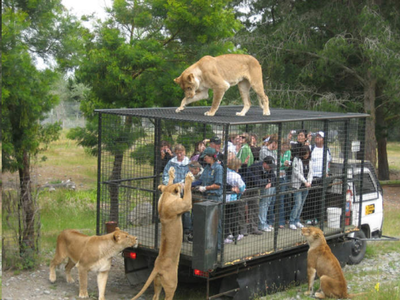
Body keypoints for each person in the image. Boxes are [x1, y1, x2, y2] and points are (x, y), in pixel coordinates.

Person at [195, 147, 224, 249]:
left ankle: (218, 246)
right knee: (207, 223)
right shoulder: (207, 167)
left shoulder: (218, 168)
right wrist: (188, 183)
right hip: (207, 198)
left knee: (216, 223)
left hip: (216, 198)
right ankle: (209, 246)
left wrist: (205, 188)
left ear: (212, 157)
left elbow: (218, 185)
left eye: (206, 157)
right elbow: (200, 180)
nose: (204, 159)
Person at [304, 131, 332, 225]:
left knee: (320, 198)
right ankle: (308, 217)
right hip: (313, 177)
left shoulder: (327, 150)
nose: (317, 138)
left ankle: (317, 217)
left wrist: (327, 172)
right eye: (317, 136)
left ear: (323, 139)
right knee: (310, 198)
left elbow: (328, 162)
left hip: (322, 177)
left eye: (320, 137)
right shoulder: (312, 148)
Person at [248, 156, 277, 232]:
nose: (271, 168)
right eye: (269, 166)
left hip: (262, 188)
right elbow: (257, 182)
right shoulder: (256, 167)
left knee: (266, 204)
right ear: (264, 164)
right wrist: (267, 180)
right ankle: (261, 224)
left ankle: (264, 223)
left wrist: (269, 182)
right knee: (261, 205)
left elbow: (274, 177)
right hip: (250, 189)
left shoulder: (269, 168)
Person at [289, 145, 313, 230]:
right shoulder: (297, 159)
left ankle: (297, 220)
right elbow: (297, 172)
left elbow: (310, 172)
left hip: (306, 186)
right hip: (297, 186)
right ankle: (291, 221)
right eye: (305, 154)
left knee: (302, 204)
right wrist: (305, 181)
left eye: (307, 154)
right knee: (297, 203)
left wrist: (309, 181)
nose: (306, 155)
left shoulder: (309, 160)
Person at [224, 157, 246, 244]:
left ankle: (226, 234)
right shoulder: (236, 176)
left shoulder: (225, 173)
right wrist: (240, 190)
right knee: (233, 217)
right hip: (233, 199)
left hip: (225, 198)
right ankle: (235, 234)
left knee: (226, 217)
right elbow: (242, 187)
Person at [182, 161, 204, 243]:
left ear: (197, 169)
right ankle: (189, 230)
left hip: (200, 196)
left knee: (196, 214)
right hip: (191, 195)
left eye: (192, 171)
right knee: (187, 212)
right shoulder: (191, 173)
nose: (190, 172)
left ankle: (194, 233)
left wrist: (190, 185)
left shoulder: (202, 173)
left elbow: (200, 182)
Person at [278, 141, 291, 228]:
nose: (286, 148)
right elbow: (277, 164)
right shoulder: (276, 152)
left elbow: (287, 165)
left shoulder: (288, 152)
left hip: (284, 176)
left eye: (287, 147)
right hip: (276, 176)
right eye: (284, 146)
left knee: (284, 198)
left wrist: (287, 164)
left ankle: (283, 220)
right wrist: (283, 164)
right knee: (276, 199)